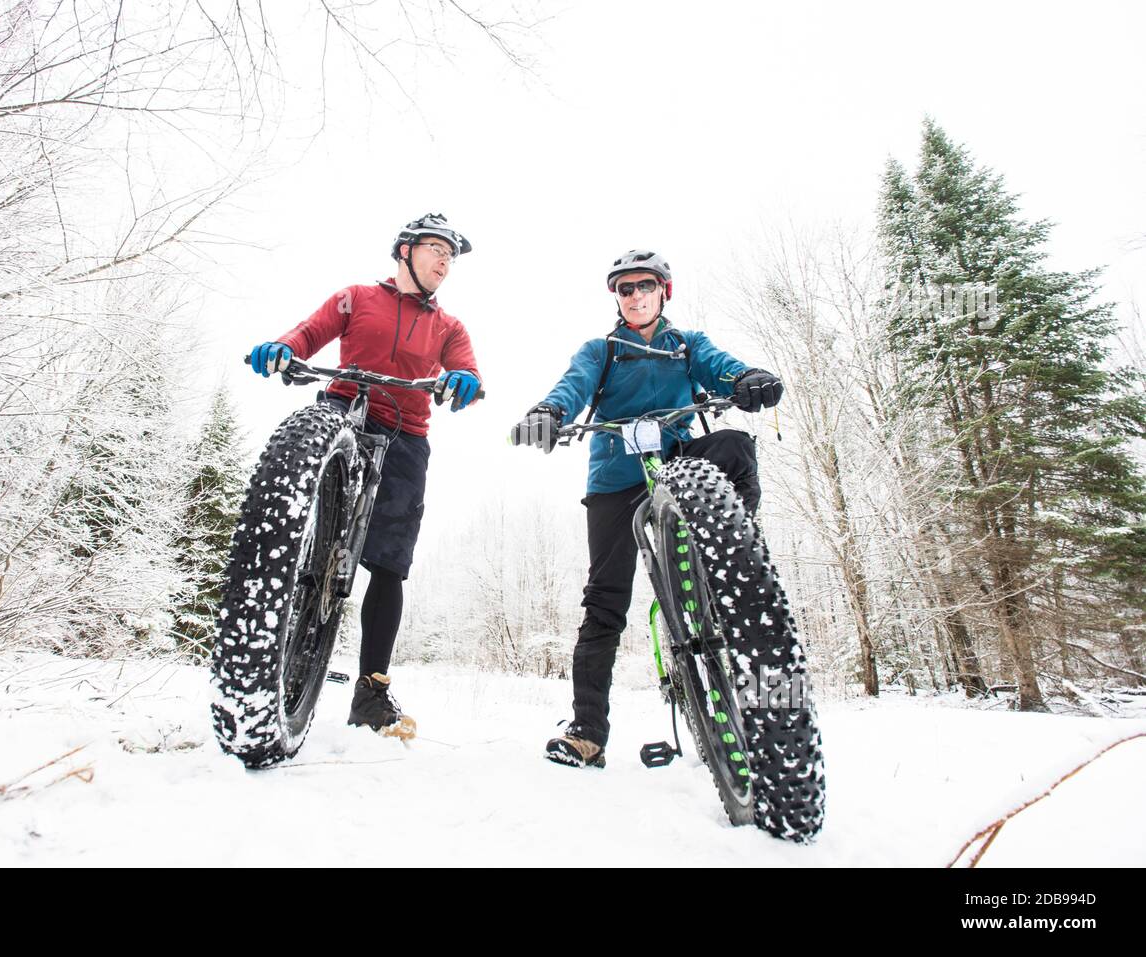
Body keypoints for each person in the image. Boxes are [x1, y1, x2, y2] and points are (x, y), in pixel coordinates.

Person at [510, 249, 783, 767]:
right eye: (625, 288)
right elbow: (574, 384)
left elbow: (720, 369)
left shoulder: (686, 345)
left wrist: (746, 379)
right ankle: (587, 731)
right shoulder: (602, 350)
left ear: (664, 292)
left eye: (645, 286)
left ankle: (735, 551)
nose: (635, 295)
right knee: (605, 601)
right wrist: (550, 410)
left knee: (735, 446)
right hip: (616, 477)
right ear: (617, 298)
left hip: (679, 458)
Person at [247, 214, 484, 740]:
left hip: (406, 434)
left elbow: (464, 367)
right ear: (404, 251)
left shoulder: (449, 327)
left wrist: (464, 380)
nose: (445, 261)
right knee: (304, 466)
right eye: (435, 249)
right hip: (345, 407)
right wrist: (284, 347)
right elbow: (309, 334)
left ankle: (371, 691)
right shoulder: (356, 298)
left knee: (390, 565)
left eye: (451, 255)